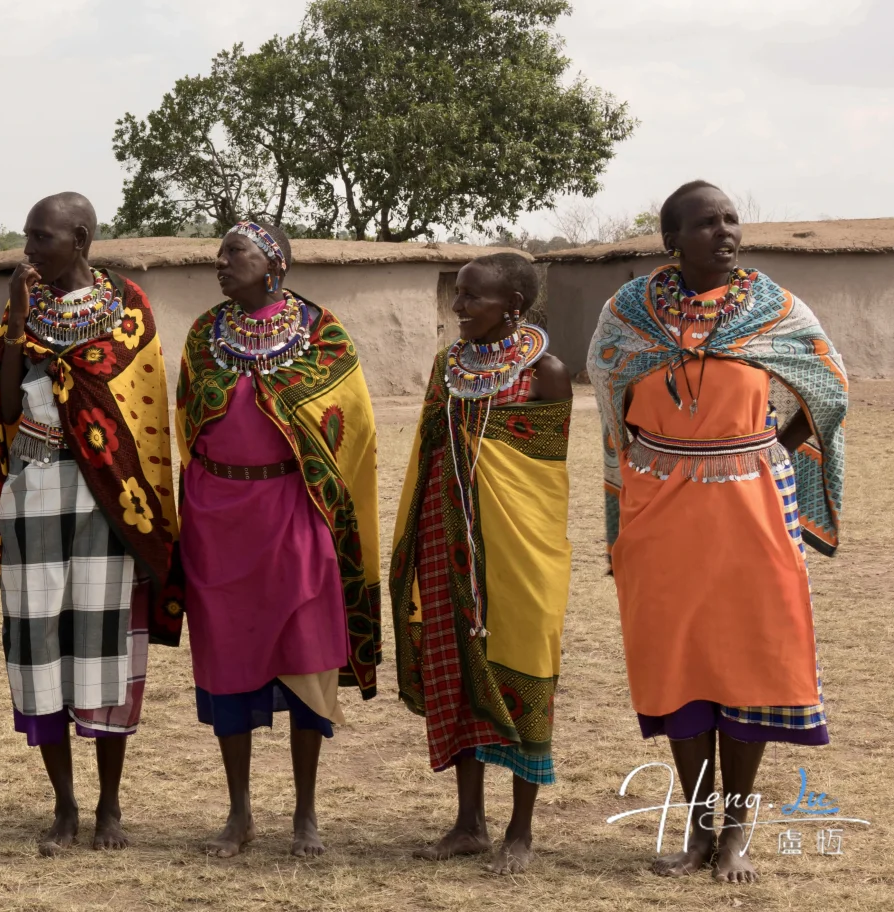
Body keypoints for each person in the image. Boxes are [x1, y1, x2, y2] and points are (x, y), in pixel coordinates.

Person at [589, 180, 848, 884]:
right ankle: (700, 833)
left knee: (749, 665)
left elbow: (829, 386)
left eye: (732, 220)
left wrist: (771, 451)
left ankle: (737, 833)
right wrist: (643, 469)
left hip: (752, 508)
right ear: (672, 240)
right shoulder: (629, 313)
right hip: (661, 513)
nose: (726, 232)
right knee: (678, 668)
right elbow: (611, 397)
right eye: (706, 223)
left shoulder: (773, 309)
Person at [174, 218, 380, 859]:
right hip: (216, 517)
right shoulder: (204, 334)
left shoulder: (323, 334)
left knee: (304, 655)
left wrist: (323, 498)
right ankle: (238, 814)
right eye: (220, 253)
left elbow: (358, 428)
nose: (221, 262)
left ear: (275, 264)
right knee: (225, 660)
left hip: (295, 509)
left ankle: (305, 815)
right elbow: (187, 416)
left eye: (234, 252)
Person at [0, 194, 180, 855]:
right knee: (39, 647)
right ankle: (64, 807)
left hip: (107, 498)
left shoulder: (128, 307)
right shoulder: (24, 308)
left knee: (104, 648)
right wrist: (14, 324)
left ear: (82, 238)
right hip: (35, 490)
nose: (29, 249)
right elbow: (5, 407)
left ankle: (109, 808)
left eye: (41, 237)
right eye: (27, 236)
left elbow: (142, 408)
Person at [390, 252, 572, 875]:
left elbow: (542, 478)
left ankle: (521, 830)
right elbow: (432, 449)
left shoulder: (546, 373)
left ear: (513, 306)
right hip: (446, 543)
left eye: (472, 298)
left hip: (517, 551)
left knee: (524, 671)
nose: (459, 308)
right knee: (457, 678)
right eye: (458, 296)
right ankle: (468, 822)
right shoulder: (447, 367)